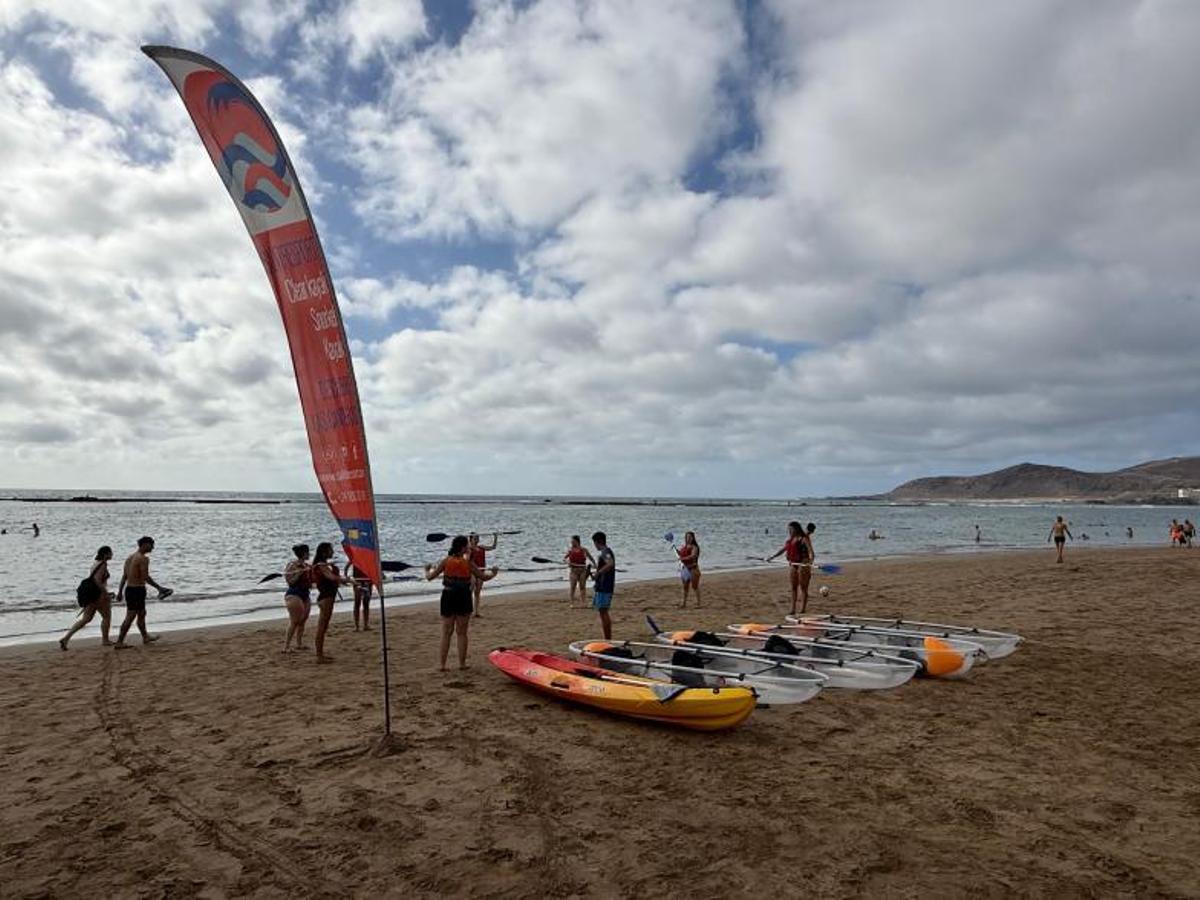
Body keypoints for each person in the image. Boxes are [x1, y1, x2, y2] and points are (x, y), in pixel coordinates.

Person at [426, 535, 497, 671]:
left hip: (448, 596)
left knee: (446, 632)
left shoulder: (446, 561)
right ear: (463, 548)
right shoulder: (468, 563)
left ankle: (442, 665)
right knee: (462, 633)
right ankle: (462, 664)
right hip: (463, 597)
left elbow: (430, 577)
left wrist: (426, 569)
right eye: (467, 546)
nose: (470, 548)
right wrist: (494, 573)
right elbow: (484, 577)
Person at [114, 536, 171, 649]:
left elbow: (124, 577)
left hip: (129, 590)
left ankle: (145, 637)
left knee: (142, 614)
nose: (153, 548)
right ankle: (119, 642)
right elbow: (145, 577)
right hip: (137, 590)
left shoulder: (130, 557)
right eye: (151, 545)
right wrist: (159, 588)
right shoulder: (143, 559)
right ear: (145, 544)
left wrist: (120, 592)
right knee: (130, 617)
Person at [59, 546, 114, 650]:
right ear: (106, 554)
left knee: (86, 619)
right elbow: (97, 581)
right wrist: (106, 593)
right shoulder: (102, 564)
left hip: (92, 596)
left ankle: (66, 638)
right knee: (106, 617)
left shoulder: (95, 564)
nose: (112, 555)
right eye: (110, 553)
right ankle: (105, 640)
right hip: (99, 596)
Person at [311, 542, 352, 663]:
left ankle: (321, 654)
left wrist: (347, 581)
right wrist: (343, 579)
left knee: (324, 626)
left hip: (329, 597)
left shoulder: (325, 565)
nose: (332, 552)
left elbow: (335, 580)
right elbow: (331, 577)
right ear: (324, 552)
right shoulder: (321, 565)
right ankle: (319, 656)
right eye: (330, 550)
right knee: (322, 627)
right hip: (325, 597)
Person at [766, 521, 816, 615]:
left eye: (791, 529)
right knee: (793, 587)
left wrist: (810, 562)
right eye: (789, 529)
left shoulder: (804, 539)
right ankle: (793, 609)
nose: (789, 531)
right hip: (793, 564)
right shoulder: (790, 540)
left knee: (803, 587)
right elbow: (783, 550)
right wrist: (772, 557)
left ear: (796, 529)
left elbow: (811, 553)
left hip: (803, 564)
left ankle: (802, 609)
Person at [282, 544, 312, 653]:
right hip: (294, 594)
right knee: (295, 621)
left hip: (305, 594)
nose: (309, 554)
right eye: (308, 552)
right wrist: (298, 574)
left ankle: (299, 644)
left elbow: (311, 582)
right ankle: (286, 646)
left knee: (303, 620)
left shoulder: (307, 565)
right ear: (303, 553)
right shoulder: (292, 566)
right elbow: (290, 582)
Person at [590, 532, 616, 639]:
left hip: (605, 587)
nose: (594, 545)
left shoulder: (605, 552)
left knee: (603, 612)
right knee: (602, 611)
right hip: (602, 586)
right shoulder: (604, 553)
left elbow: (610, 563)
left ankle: (608, 639)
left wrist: (599, 572)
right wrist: (596, 574)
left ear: (598, 542)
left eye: (594, 543)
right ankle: (607, 638)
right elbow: (606, 566)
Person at [468, 531, 498, 618]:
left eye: (478, 538)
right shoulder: (468, 549)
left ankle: (477, 612)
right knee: (470, 590)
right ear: (470, 540)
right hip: (472, 572)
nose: (477, 539)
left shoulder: (481, 547)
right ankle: (468, 610)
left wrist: (495, 537)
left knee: (477, 592)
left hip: (481, 571)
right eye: (475, 538)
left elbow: (493, 547)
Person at [563, 535, 594, 606]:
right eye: (571, 541)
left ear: (577, 541)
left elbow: (591, 558)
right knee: (573, 586)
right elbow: (564, 558)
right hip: (573, 571)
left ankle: (583, 602)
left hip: (582, 570)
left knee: (582, 586)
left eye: (573, 541)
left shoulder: (583, 550)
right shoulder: (570, 550)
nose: (572, 543)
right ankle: (572, 603)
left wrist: (595, 564)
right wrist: (567, 562)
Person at [676, 531, 701, 608]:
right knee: (685, 587)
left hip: (693, 569)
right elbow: (681, 554)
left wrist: (682, 558)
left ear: (693, 538)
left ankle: (698, 603)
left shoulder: (695, 547)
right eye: (687, 537)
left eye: (690, 537)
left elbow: (692, 556)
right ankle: (684, 604)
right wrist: (678, 552)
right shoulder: (684, 547)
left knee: (695, 586)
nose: (688, 538)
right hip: (685, 569)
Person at [350, 563, 372, 631]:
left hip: (367, 580)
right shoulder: (356, 557)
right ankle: (357, 625)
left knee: (365, 603)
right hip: (359, 581)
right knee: (358, 602)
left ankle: (365, 624)